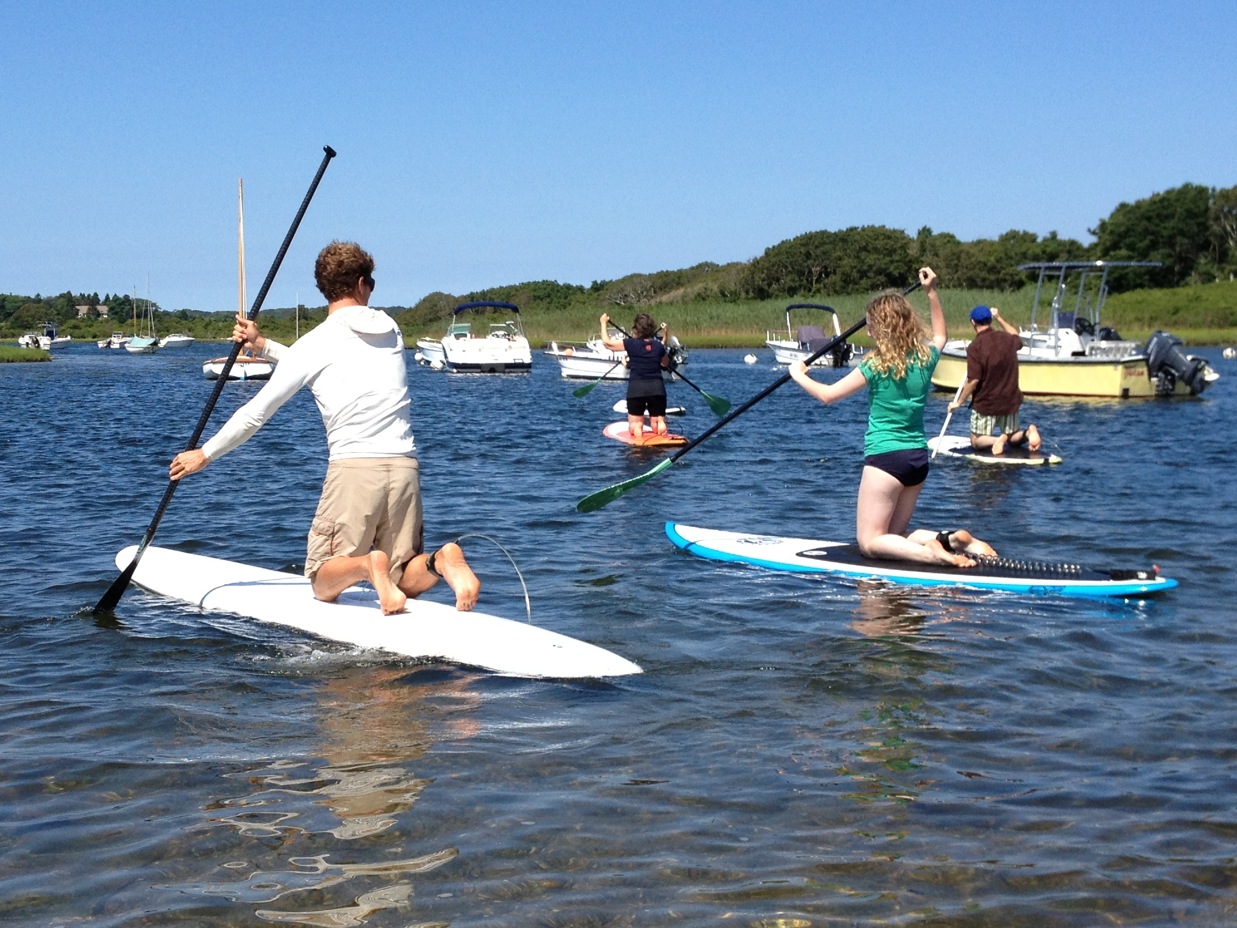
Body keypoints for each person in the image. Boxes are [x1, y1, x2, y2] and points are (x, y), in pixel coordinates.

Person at [168, 241, 480, 615]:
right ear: (363, 284)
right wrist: (263, 345)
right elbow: (326, 366)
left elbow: (257, 412)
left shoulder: (315, 343)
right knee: (403, 577)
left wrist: (205, 453)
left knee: (320, 579)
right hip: (404, 467)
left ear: (324, 288)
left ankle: (367, 565)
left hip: (354, 471)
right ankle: (440, 561)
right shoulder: (392, 330)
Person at [788, 267, 997, 568]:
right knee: (894, 535)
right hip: (917, 459)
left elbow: (828, 395)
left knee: (870, 543)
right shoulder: (926, 356)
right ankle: (949, 539)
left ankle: (931, 553)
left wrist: (798, 375)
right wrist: (932, 291)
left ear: (882, 330)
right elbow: (941, 334)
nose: (869, 332)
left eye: (872, 327)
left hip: (886, 458)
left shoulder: (875, 364)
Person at [948, 305, 1041, 455]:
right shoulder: (1008, 339)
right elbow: (1015, 335)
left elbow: (973, 380)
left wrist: (958, 402)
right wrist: (999, 317)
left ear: (973, 322)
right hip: (1010, 400)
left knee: (976, 441)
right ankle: (1027, 434)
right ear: (990, 320)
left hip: (987, 404)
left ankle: (997, 440)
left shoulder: (975, 347)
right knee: (1013, 436)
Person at [599, 311, 671, 443]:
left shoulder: (630, 344)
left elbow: (607, 343)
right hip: (657, 389)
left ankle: (638, 439)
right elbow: (665, 363)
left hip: (637, 389)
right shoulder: (658, 346)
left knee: (636, 424)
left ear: (636, 329)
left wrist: (603, 323)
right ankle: (661, 430)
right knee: (659, 421)